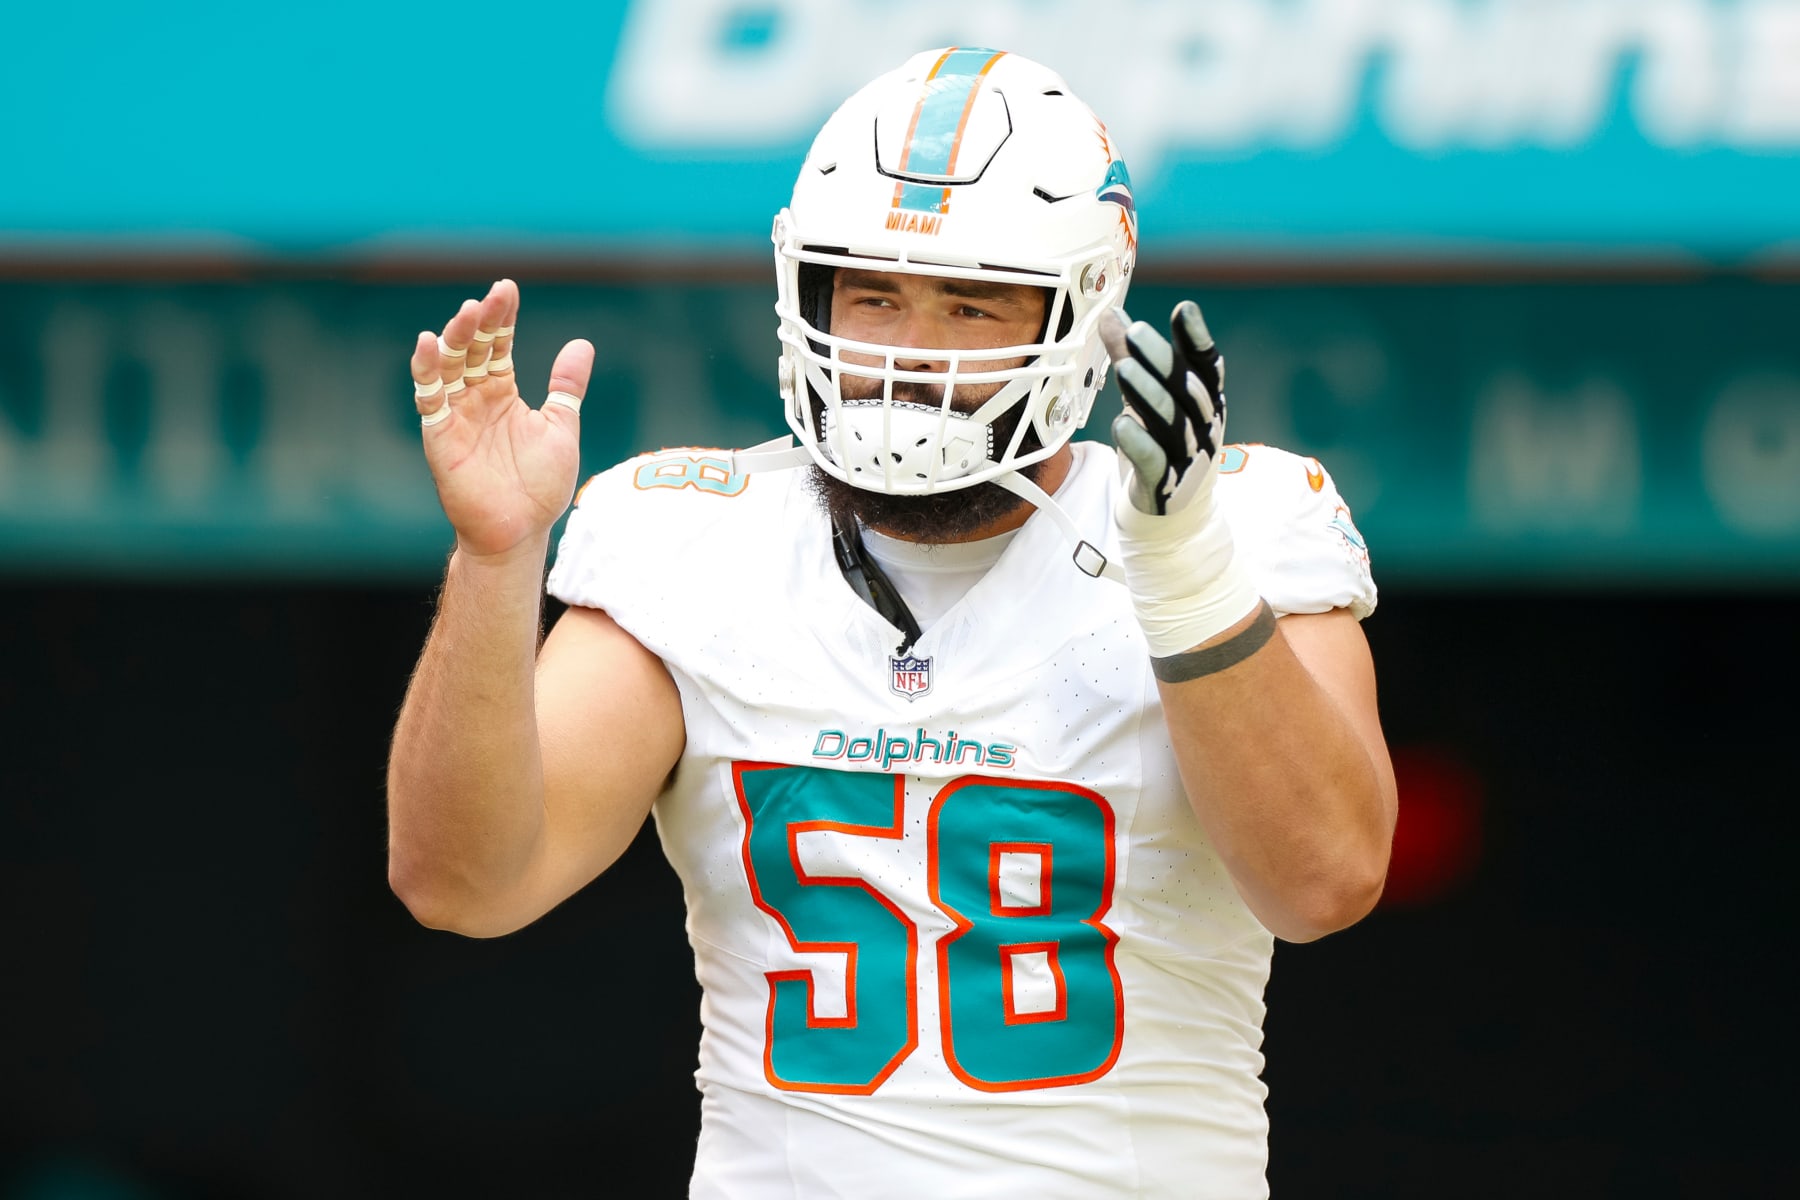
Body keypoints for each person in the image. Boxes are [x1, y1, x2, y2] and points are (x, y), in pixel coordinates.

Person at [387, 46, 1395, 1199]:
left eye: (968, 303)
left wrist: (1184, 572)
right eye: (873, 294)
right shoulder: (694, 541)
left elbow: (1326, 882)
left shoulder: (1227, 528)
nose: (907, 350)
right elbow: (463, 882)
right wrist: (496, 561)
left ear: (1082, 316)